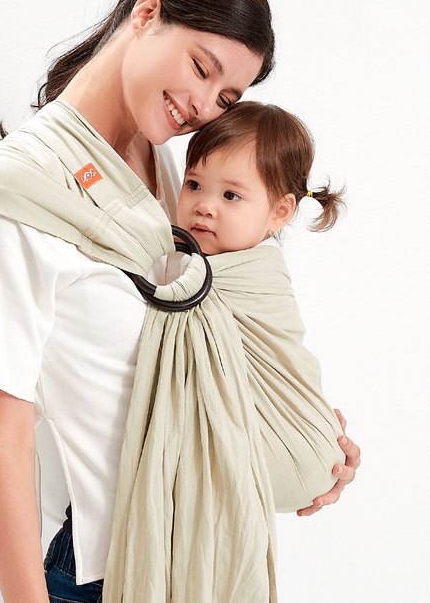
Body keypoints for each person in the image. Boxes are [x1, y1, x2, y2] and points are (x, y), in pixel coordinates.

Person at [0, 0, 360, 602]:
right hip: (110, 570)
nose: (204, 106)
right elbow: (0, 431)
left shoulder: (166, 172)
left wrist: (304, 440)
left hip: (195, 558)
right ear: (146, 12)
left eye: (227, 97)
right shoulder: (19, 196)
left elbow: (209, 361)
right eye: (201, 68)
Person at [102, 102, 349, 602]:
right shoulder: (182, 263)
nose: (204, 206)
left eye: (231, 195)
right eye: (194, 184)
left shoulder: (252, 276)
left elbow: (280, 361)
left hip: (302, 445)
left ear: (279, 212)